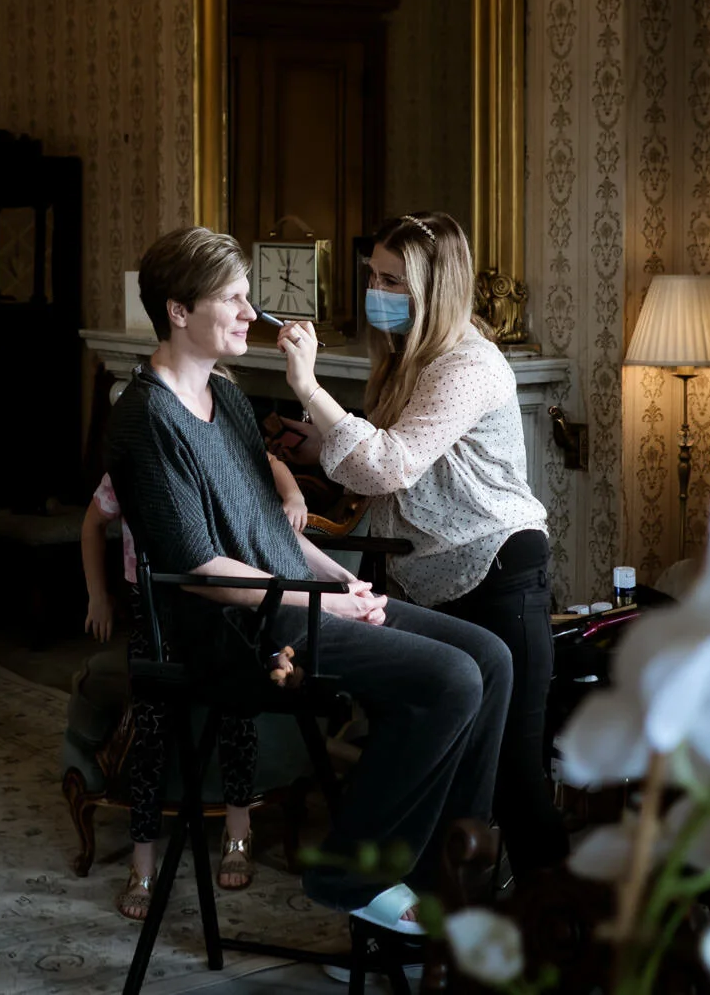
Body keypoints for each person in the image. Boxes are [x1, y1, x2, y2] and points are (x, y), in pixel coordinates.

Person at [105, 226, 510, 932]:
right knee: (450, 680)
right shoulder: (145, 416)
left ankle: (443, 874)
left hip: (291, 605)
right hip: (234, 632)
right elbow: (203, 571)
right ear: (178, 310)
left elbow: (273, 530)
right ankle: (349, 871)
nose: (250, 312)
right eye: (233, 298)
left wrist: (342, 583)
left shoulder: (227, 397)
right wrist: (326, 601)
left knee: (490, 657)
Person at [274, 211, 568, 876]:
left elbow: (389, 466)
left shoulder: (470, 364)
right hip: (431, 578)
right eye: (373, 275)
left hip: (499, 570)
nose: (375, 292)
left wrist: (309, 387)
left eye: (392, 281)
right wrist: (314, 443)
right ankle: (441, 914)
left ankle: (564, 925)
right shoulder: (408, 358)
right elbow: (388, 456)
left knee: (515, 779)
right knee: (446, 766)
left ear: (436, 288)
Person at [80, 457, 309, 919]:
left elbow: (268, 460)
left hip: (220, 598)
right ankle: (142, 862)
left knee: (236, 709)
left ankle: (238, 832)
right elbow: (92, 523)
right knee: (150, 728)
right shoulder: (133, 461)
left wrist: (294, 495)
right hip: (152, 607)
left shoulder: (216, 447)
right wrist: (97, 595)